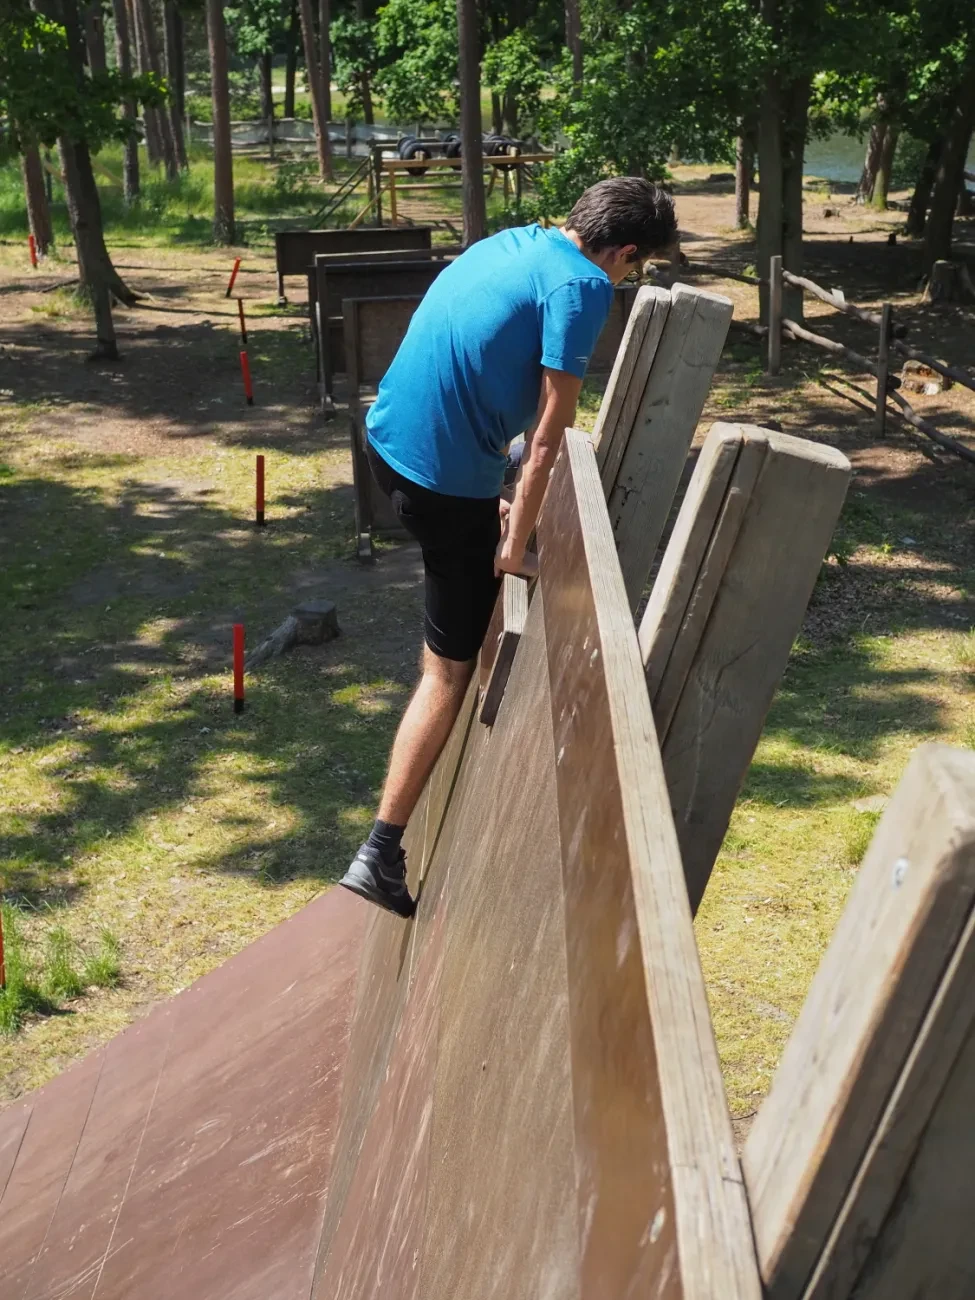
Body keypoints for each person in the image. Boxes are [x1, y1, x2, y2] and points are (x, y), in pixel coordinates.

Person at [339, 176, 678, 917]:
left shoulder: (513, 242)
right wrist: (513, 544)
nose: (628, 279)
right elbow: (548, 436)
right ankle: (380, 850)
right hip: (437, 486)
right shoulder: (583, 287)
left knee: (476, 584)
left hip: (389, 445)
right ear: (623, 251)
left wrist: (489, 496)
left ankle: (469, 762)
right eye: (637, 267)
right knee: (447, 671)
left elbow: (468, 360)